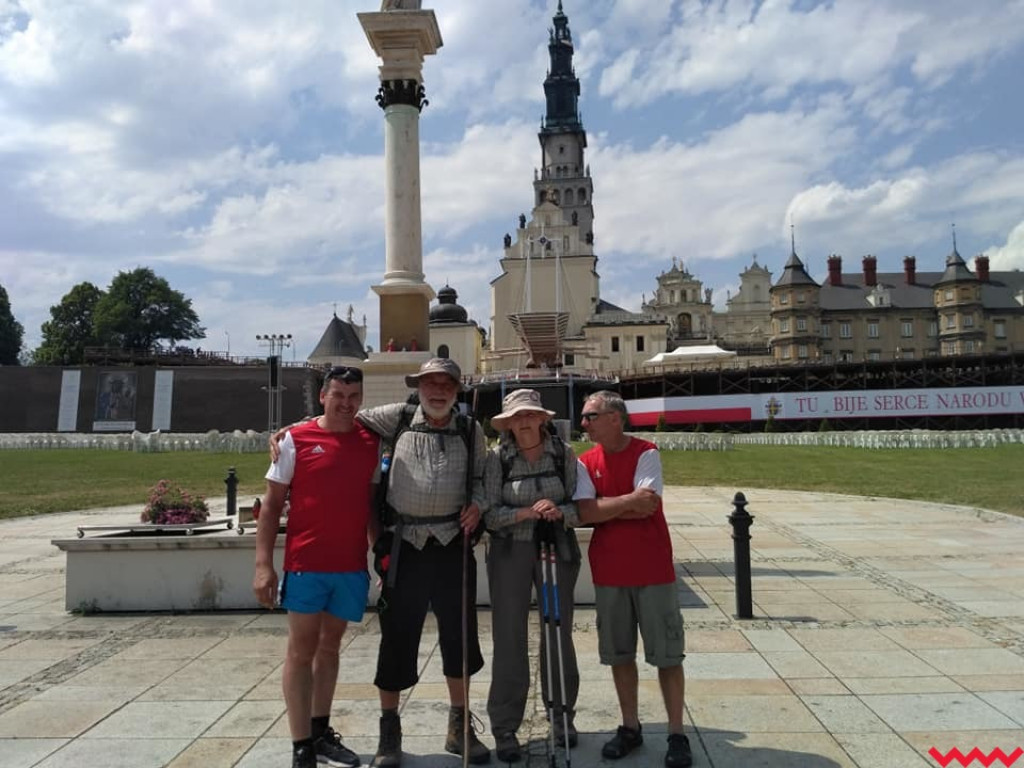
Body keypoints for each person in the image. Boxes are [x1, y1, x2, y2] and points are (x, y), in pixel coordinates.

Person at [253, 365, 380, 768]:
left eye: (353, 396)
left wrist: (382, 557)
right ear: (323, 396)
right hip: (306, 563)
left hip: (350, 565)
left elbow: (372, 506)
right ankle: (301, 745)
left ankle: (321, 731)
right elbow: (271, 506)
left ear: (361, 399)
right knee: (300, 651)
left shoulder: (370, 441)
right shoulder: (295, 440)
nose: (346, 403)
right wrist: (263, 565)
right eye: (338, 395)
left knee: (330, 648)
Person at [573, 391, 692, 768]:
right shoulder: (584, 461)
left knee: (667, 655)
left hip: (652, 569)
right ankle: (630, 726)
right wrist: (623, 504)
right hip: (610, 573)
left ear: (614, 417)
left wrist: (606, 506)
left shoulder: (646, 452)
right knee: (619, 654)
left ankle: (676, 732)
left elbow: (648, 505)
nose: (584, 423)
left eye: (590, 416)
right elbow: (585, 512)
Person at [483, 389, 581, 763]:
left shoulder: (563, 454)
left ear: (542, 418)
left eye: (530, 415)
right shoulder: (498, 459)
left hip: (556, 549)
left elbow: (579, 503)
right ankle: (506, 726)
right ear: (508, 424)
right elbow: (490, 513)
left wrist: (558, 511)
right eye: (516, 418)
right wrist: (523, 513)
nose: (523, 423)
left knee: (557, 631)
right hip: (511, 551)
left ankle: (561, 716)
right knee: (510, 635)